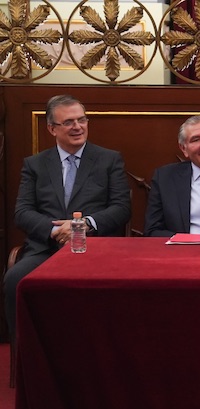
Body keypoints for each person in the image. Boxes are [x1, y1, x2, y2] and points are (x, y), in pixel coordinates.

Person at [3, 94, 131, 341]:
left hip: (96, 249)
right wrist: (56, 231)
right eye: (69, 122)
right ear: (52, 128)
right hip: (45, 249)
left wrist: (83, 225)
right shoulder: (35, 164)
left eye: (82, 120)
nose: (77, 127)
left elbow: (121, 208)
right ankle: (24, 355)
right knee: (14, 279)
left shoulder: (108, 159)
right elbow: (22, 212)